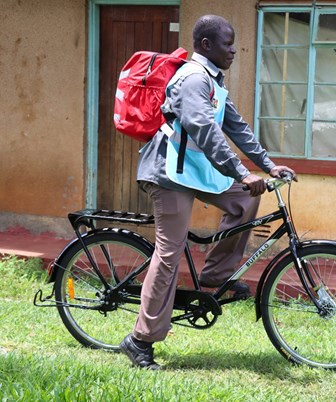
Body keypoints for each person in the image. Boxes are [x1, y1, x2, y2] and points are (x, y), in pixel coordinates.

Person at [119, 14, 296, 370]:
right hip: (168, 173)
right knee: (169, 253)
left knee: (246, 197)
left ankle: (214, 278)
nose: (234, 50)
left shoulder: (213, 81)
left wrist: (267, 164)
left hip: (194, 169)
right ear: (205, 46)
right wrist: (241, 171)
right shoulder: (192, 79)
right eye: (227, 43)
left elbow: (236, 126)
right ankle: (140, 340)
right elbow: (203, 128)